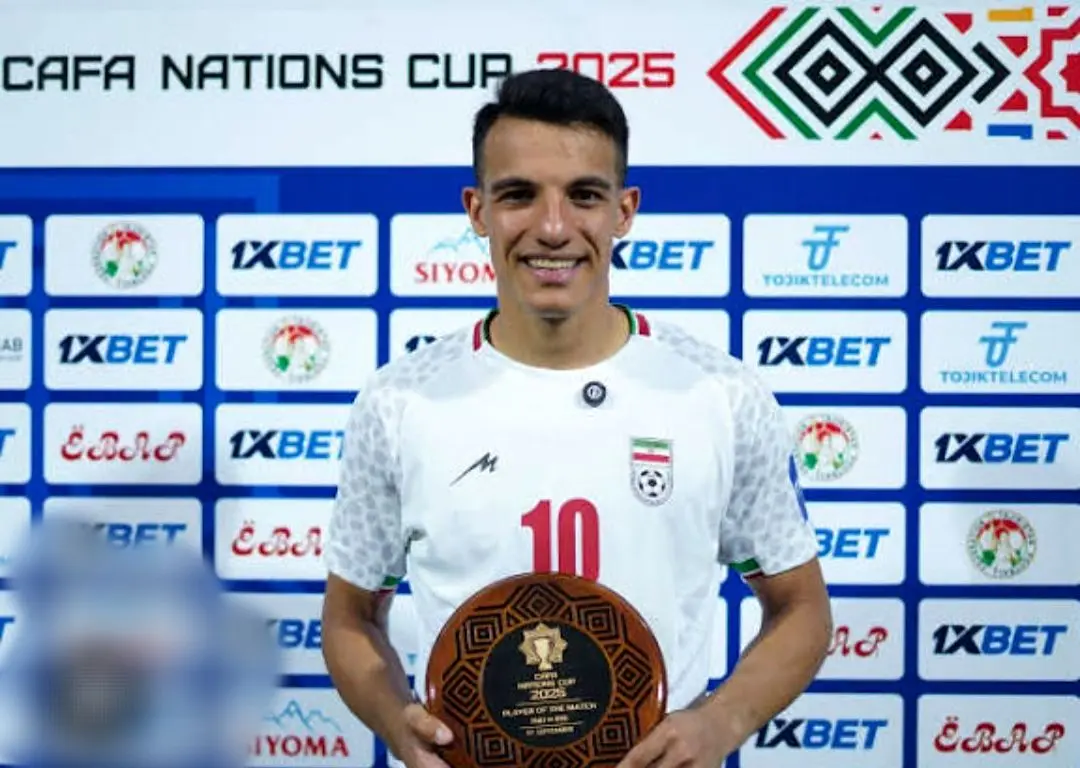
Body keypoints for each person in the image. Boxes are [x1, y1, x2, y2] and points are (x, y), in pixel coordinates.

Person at [321, 67, 832, 768]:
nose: (553, 228)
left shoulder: (720, 394)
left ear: (624, 211)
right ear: (477, 210)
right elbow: (350, 615)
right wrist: (392, 717)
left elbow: (801, 607)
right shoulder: (399, 403)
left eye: (584, 196)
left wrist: (722, 722)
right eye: (518, 195)